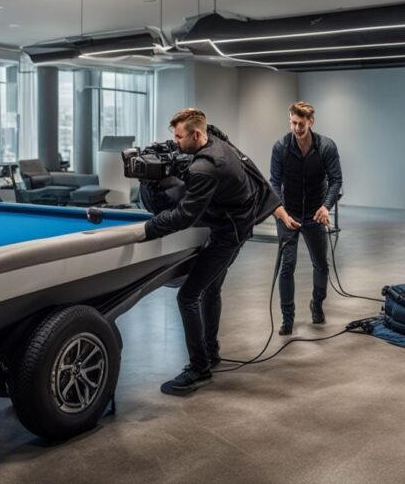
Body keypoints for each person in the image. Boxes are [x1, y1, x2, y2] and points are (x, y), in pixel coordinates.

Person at [144, 108, 279, 395]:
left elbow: (184, 216)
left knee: (188, 295)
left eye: (180, 137)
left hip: (228, 234)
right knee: (210, 289)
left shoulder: (206, 167)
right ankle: (210, 351)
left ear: (196, 135)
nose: (176, 142)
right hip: (237, 220)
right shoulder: (217, 138)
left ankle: (199, 368)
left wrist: (148, 229)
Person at [269, 101, 343, 335]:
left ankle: (317, 304)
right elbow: (274, 182)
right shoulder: (280, 147)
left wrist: (325, 206)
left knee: (321, 264)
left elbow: (336, 180)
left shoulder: (326, 147)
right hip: (287, 214)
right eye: (293, 123)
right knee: (287, 266)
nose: (297, 128)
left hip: (314, 214)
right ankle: (287, 318)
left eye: (301, 123)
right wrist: (280, 211)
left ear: (311, 122)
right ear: (289, 119)